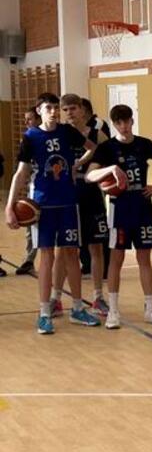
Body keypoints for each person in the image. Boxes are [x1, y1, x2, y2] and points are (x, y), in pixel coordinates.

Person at [4, 93, 113, 334]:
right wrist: (9, 206)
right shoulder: (31, 136)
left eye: (56, 107)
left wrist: (76, 165)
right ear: (39, 111)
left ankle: (77, 308)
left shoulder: (67, 131)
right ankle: (45, 312)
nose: (53, 112)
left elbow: (93, 148)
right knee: (47, 257)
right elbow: (21, 173)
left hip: (68, 202)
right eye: (48, 108)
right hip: (43, 205)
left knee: (71, 254)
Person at [88, 104, 152, 329]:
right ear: (114, 124)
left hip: (142, 205)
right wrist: (110, 169)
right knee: (117, 258)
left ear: (132, 121)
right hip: (119, 208)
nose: (124, 126)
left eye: (127, 121)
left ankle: (150, 309)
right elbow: (90, 175)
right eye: (119, 122)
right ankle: (113, 310)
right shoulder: (107, 148)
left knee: (145, 258)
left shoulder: (145, 143)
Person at [49, 94, 110, 317]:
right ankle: (55, 298)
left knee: (96, 247)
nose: (69, 113)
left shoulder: (97, 134)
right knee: (63, 249)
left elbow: (108, 158)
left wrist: (105, 177)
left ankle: (98, 297)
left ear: (82, 109)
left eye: (73, 108)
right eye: (65, 110)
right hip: (66, 195)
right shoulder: (59, 134)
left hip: (91, 193)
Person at [15, 107, 40, 276]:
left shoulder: (55, 137)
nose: (26, 122)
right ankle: (29, 260)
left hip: (55, 191)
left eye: (29, 119)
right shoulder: (28, 139)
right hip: (34, 188)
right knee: (30, 226)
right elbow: (23, 168)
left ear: (39, 119)